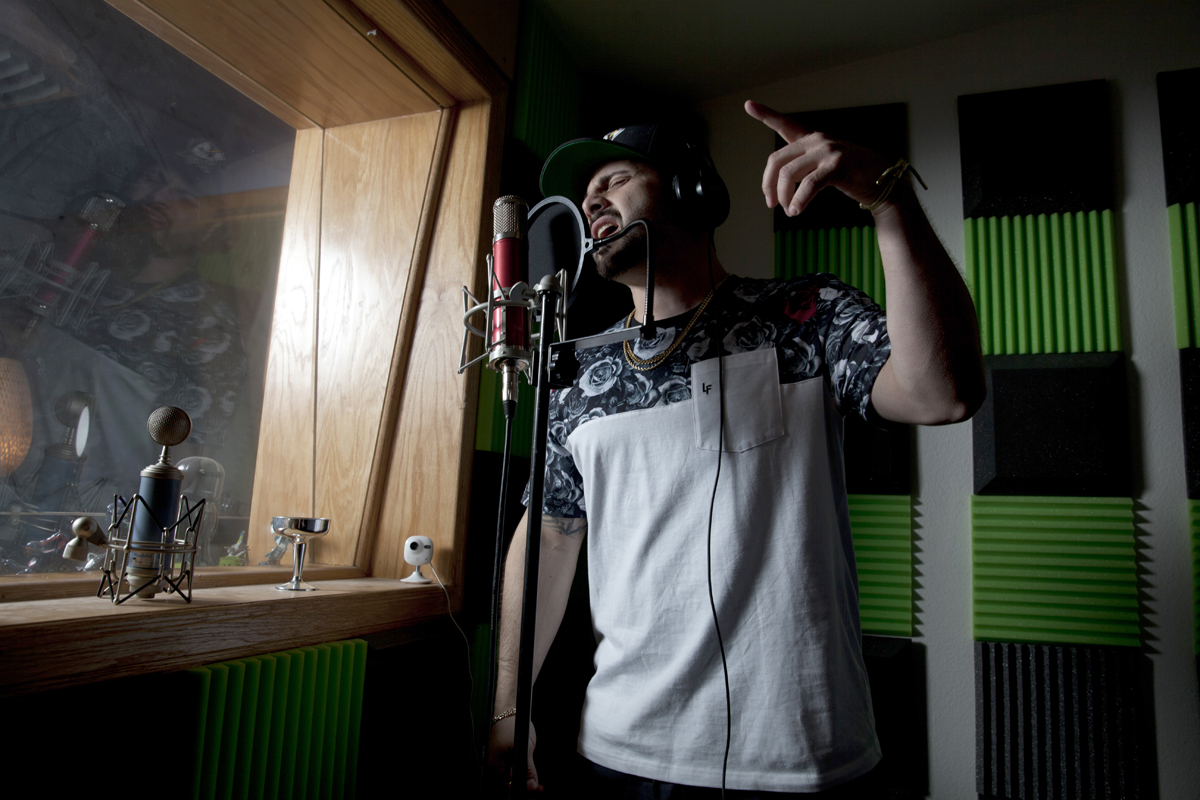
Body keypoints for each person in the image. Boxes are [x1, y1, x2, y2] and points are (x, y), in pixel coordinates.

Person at [489, 101, 985, 797]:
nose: (592, 199)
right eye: (585, 192)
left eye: (616, 179)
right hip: (620, 754)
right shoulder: (573, 376)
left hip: (803, 756)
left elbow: (944, 394)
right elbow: (548, 537)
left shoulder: (806, 315)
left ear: (693, 189)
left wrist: (889, 199)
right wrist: (508, 709)